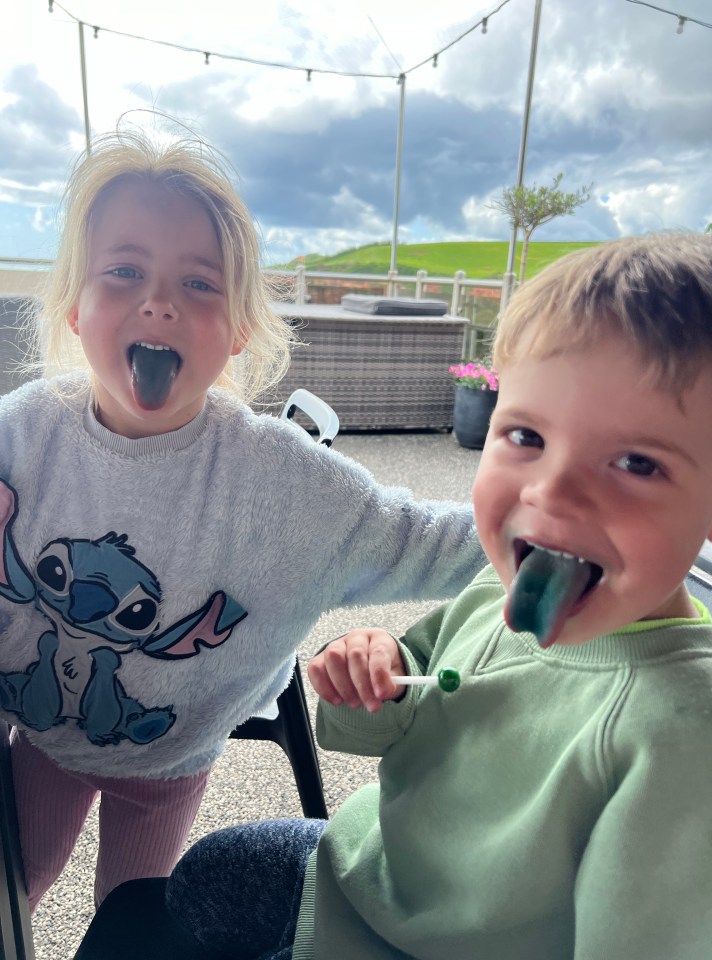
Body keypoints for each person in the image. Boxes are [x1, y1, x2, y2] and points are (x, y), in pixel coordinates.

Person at [151, 231, 712, 960]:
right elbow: (379, 724)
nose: (552, 493)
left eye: (636, 462)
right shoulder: (496, 587)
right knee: (202, 879)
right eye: (527, 435)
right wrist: (370, 673)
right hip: (377, 869)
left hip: (432, 940)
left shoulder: (685, 738)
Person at [0, 125, 486, 913]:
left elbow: (425, 537)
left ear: (238, 333)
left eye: (199, 283)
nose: (158, 300)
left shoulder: (281, 483)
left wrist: (557, 519)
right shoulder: (20, 435)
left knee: (136, 923)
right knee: (13, 893)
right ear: (76, 310)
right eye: (123, 271)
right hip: (42, 744)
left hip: (169, 766)